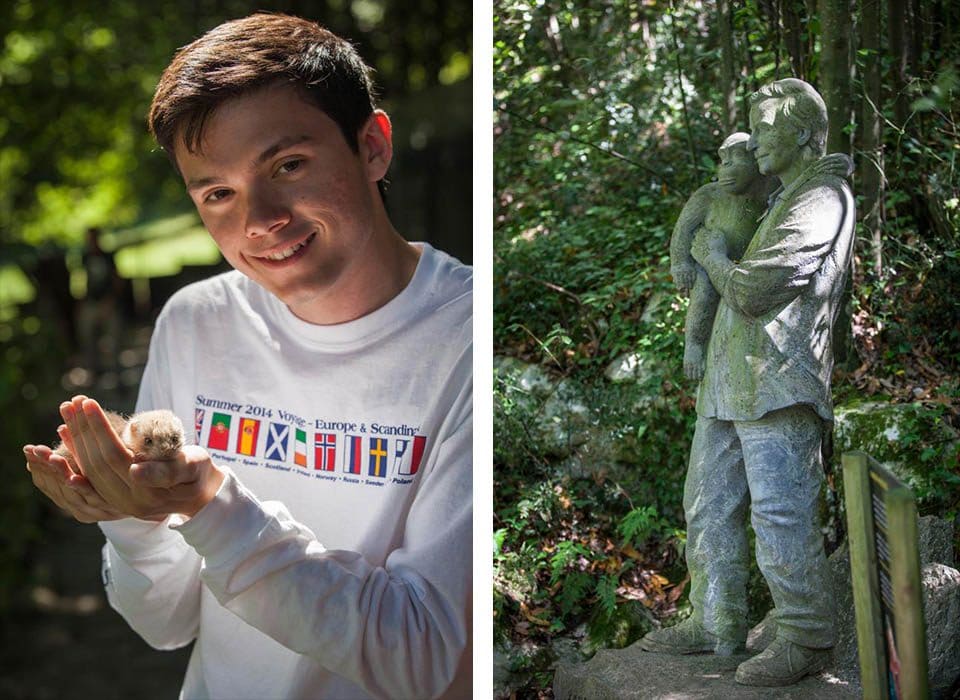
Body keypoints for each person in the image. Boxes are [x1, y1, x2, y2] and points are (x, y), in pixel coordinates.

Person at [23, 13, 472, 700]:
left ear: (373, 146)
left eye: (288, 165)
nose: (259, 219)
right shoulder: (197, 323)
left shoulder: (470, 337)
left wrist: (209, 504)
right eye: (218, 193)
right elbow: (165, 622)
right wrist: (130, 511)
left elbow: (428, 657)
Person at [639, 78, 855, 687]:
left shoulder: (822, 199)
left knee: (781, 512)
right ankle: (716, 622)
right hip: (730, 382)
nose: (755, 139)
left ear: (804, 134)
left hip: (779, 384)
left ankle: (806, 633)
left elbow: (756, 291)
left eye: (766, 128)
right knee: (707, 505)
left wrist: (709, 254)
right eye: (753, 127)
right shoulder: (779, 199)